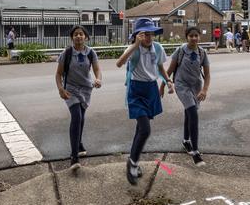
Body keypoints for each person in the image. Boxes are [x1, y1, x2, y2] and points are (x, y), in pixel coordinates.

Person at [115, 18, 173, 186]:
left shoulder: (158, 48)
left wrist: (168, 81)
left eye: (151, 33)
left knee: (140, 128)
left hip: (151, 90)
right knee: (145, 130)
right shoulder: (134, 49)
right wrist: (134, 44)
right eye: (145, 34)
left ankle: (133, 160)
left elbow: (160, 67)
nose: (149, 37)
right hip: (136, 90)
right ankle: (132, 163)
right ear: (137, 35)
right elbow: (119, 63)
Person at [162, 27, 211, 166]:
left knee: (188, 113)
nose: (194, 38)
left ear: (199, 37)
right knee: (193, 113)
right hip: (181, 86)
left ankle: (186, 141)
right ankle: (195, 152)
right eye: (191, 36)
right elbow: (169, 71)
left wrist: (204, 90)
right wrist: (162, 86)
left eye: (196, 35)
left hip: (196, 87)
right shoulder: (180, 51)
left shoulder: (202, 53)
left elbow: (207, 75)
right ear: (186, 37)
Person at [55, 25, 102, 170]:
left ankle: (79, 143)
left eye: (81, 34)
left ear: (86, 37)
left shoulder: (90, 53)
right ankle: (74, 157)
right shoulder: (67, 53)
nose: (78, 36)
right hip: (71, 90)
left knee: (81, 117)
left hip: (86, 89)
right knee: (76, 117)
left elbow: (97, 69)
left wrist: (98, 79)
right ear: (72, 37)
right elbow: (58, 74)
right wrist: (60, 89)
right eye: (75, 34)